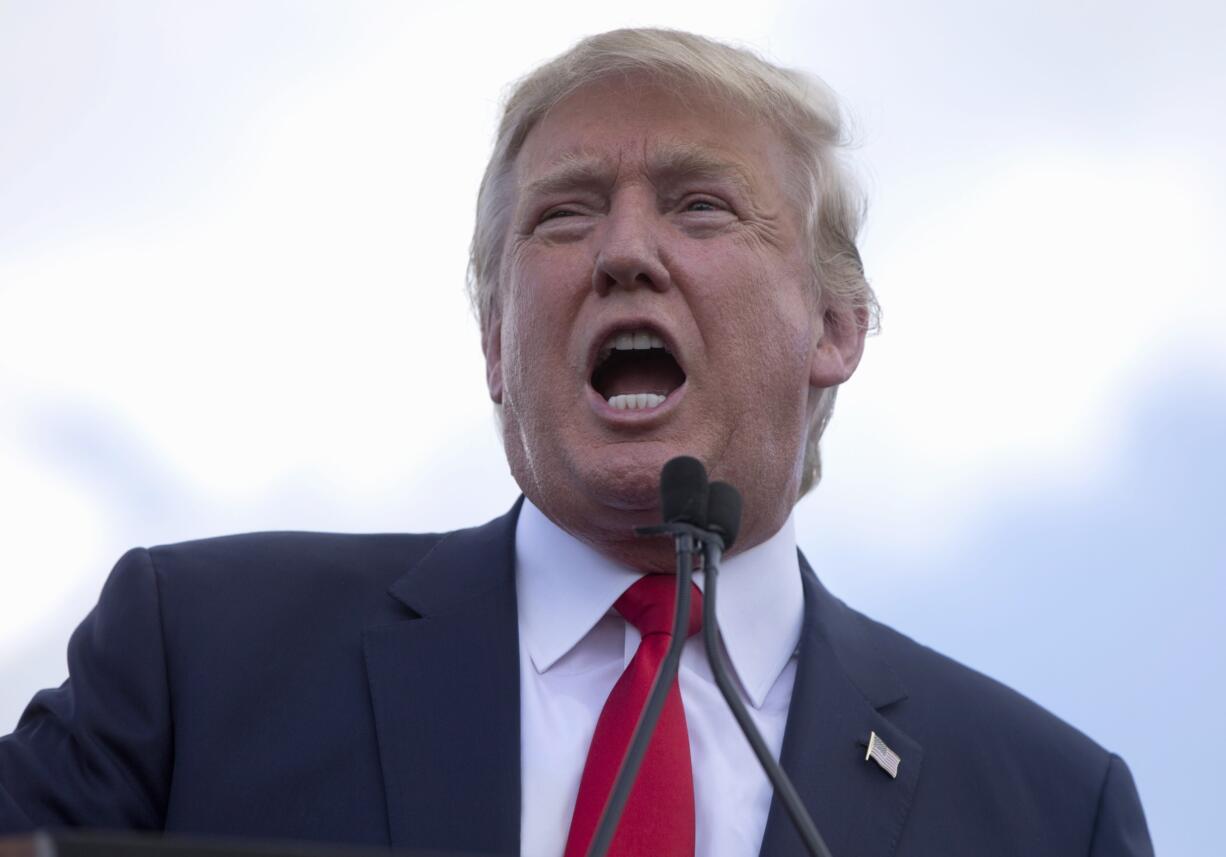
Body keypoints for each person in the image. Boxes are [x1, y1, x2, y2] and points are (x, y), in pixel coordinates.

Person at [0, 28, 1152, 857]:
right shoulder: (199, 655)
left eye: (700, 206)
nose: (625, 252)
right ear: (496, 343)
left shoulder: (1046, 806)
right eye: (565, 213)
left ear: (836, 329)